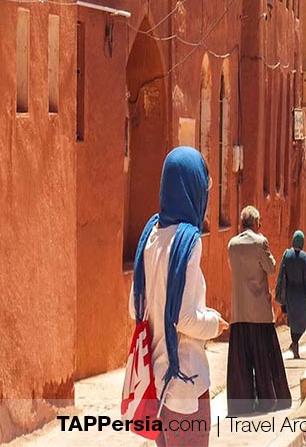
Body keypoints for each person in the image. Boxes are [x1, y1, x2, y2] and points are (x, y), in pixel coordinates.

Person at [128, 147, 228, 447]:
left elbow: (135, 308)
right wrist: (215, 323)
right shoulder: (188, 242)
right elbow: (183, 318)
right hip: (185, 384)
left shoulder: (150, 235)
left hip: (154, 385)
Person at [226, 206, 291, 415]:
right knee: (265, 359)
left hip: (239, 311)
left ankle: (242, 405)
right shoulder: (260, 242)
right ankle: (268, 400)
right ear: (256, 223)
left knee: (241, 362)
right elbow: (271, 268)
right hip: (260, 312)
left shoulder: (232, 245)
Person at [276, 230, 306, 359]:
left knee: (293, 320)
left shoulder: (287, 255)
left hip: (289, 293)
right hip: (300, 293)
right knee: (303, 320)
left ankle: (294, 343)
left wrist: (280, 293)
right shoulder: (303, 257)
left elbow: (281, 274)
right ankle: (295, 343)